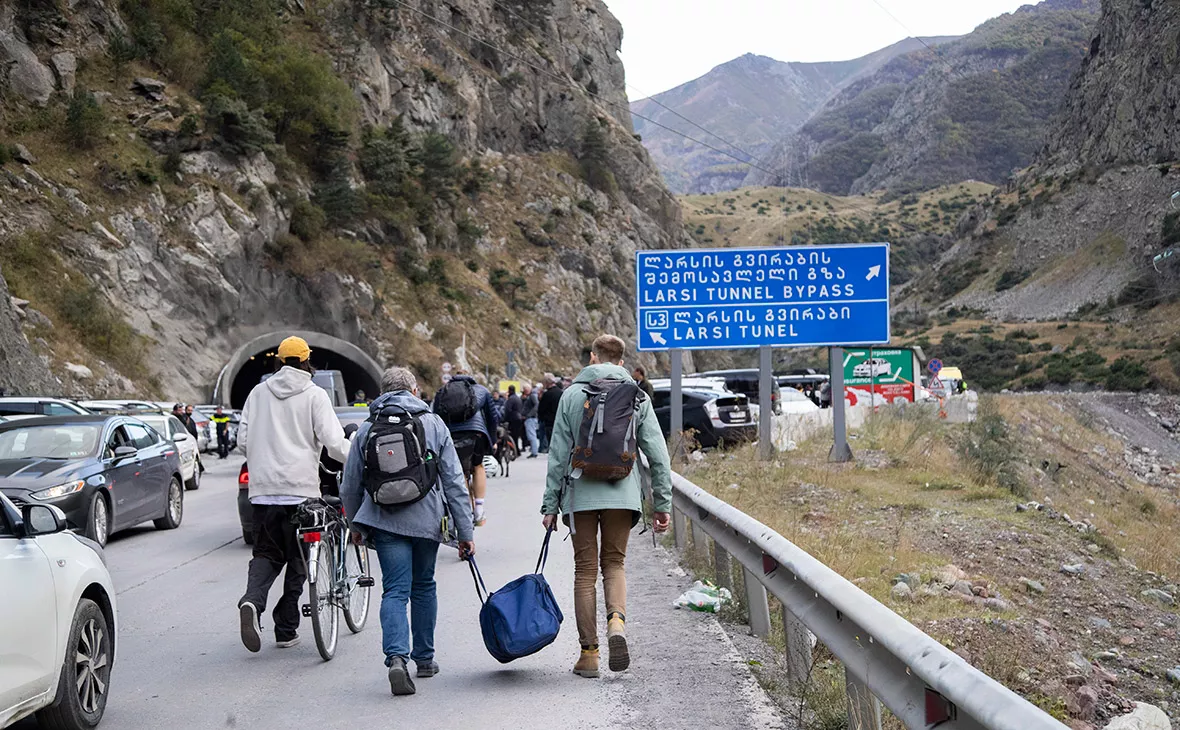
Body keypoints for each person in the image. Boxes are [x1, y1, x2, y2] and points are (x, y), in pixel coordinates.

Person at [541, 334, 672, 679]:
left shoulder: (572, 395)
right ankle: (617, 622)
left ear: (592, 357)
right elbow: (658, 455)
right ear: (622, 362)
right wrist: (662, 503)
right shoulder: (637, 396)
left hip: (579, 493)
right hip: (622, 494)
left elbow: (558, 455)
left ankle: (589, 655)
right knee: (614, 564)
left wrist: (550, 505)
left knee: (585, 571)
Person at [341, 366, 474, 696]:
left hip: (384, 520)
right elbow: (454, 481)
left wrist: (355, 524)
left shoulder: (368, 427)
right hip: (427, 520)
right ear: (414, 391)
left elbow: (350, 484)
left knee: (395, 591)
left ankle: (397, 658)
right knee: (424, 585)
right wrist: (465, 531)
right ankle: (425, 659)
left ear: (382, 392)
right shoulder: (433, 423)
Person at [236, 336, 349, 653]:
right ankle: (285, 629)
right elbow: (333, 443)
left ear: (279, 361)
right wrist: (357, 458)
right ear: (306, 361)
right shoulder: (315, 394)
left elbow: (242, 442)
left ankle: (252, 601)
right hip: (301, 493)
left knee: (266, 554)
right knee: (301, 560)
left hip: (264, 494)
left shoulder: (258, 393)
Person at [434, 371, 498, 527]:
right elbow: (493, 417)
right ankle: (479, 510)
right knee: (478, 466)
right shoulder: (482, 390)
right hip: (476, 433)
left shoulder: (443, 391)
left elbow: (435, 416)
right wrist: (493, 440)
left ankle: (466, 509)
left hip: (452, 435)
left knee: (460, 471)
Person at [538, 374, 563, 455]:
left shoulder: (547, 394)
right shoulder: (560, 392)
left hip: (549, 422)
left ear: (546, 383)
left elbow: (541, 409)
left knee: (551, 443)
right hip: (560, 421)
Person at [521, 383, 540, 459]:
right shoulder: (530, 396)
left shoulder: (532, 396)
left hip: (530, 418)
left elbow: (536, 405)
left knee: (531, 435)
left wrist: (529, 414)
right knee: (531, 435)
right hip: (529, 418)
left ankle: (534, 452)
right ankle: (533, 451)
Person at [503, 384, 524, 452]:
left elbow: (508, 410)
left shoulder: (511, 399)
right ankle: (517, 450)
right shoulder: (518, 398)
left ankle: (515, 450)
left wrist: (504, 419)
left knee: (512, 435)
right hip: (519, 418)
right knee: (516, 436)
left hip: (513, 419)